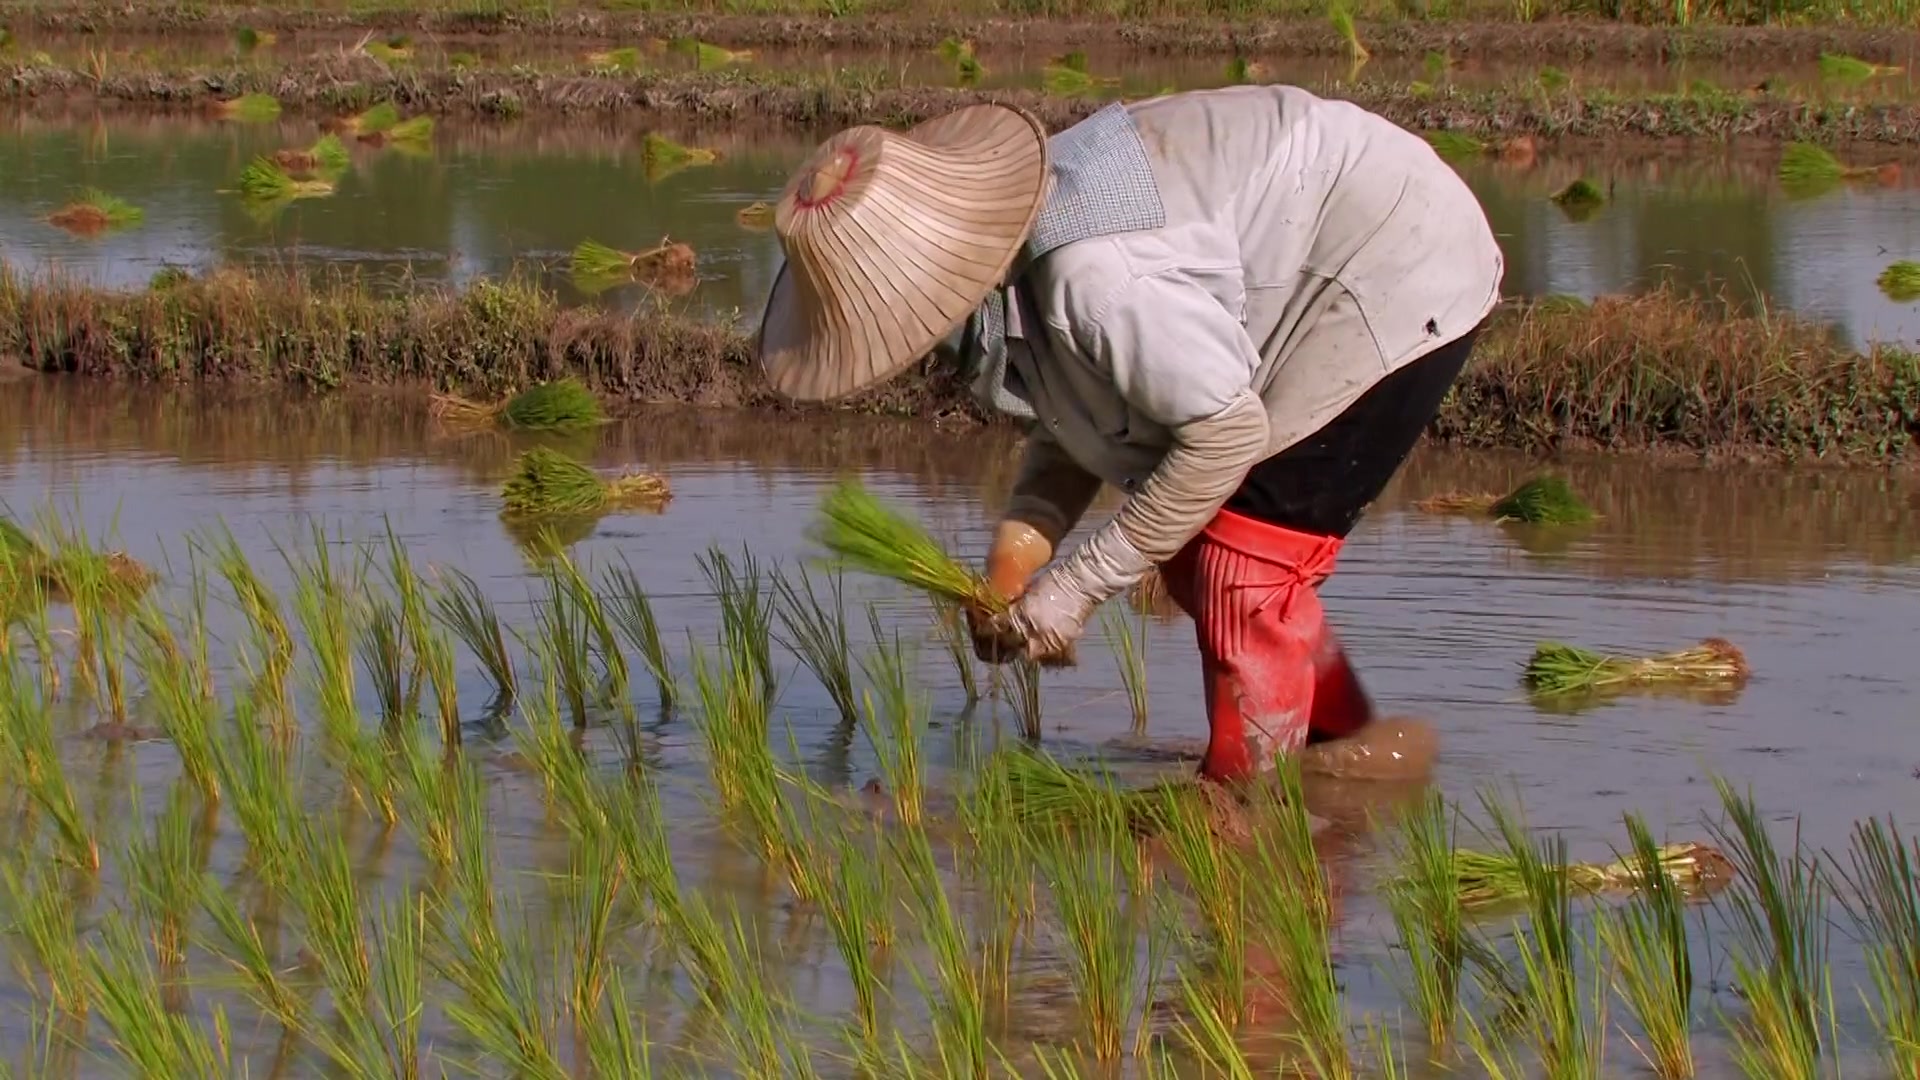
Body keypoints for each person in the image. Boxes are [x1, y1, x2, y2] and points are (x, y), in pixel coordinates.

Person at [757, 86, 1504, 784]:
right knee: (1188, 546)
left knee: (1240, 566)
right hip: (1325, 238)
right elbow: (1093, 402)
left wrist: (1076, 589)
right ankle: (1340, 744)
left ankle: (1248, 801)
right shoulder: (1013, 251)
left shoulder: (1095, 281)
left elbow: (1221, 435)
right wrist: (1017, 562)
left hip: (1388, 263)